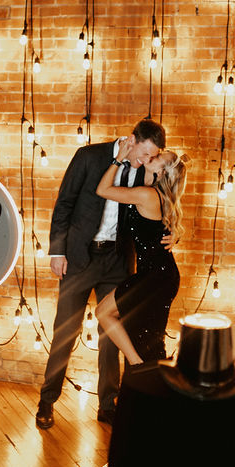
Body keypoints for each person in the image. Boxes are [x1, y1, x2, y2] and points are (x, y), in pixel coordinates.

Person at [36, 118, 166, 430]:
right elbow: (64, 203)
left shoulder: (146, 172)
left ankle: (108, 404)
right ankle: (47, 400)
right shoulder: (88, 156)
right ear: (132, 139)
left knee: (112, 335)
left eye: (152, 157)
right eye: (144, 154)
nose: (146, 161)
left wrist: (171, 234)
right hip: (79, 257)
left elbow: (161, 206)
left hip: (117, 261)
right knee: (65, 331)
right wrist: (57, 251)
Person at [93, 144, 187, 365]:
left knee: (104, 313)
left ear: (161, 172)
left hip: (156, 277)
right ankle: (143, 369)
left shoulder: (147, 195)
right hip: (159, 275)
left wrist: (118, 159)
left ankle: (138, 366)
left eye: (156, 158)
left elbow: (103, 190)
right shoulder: (156, 193)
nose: (151, 157)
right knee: (147, 338)